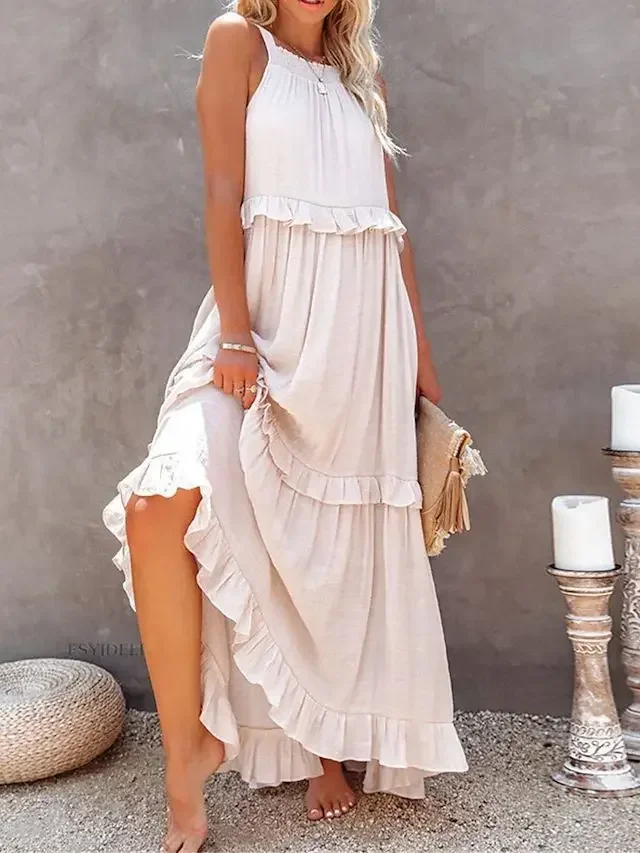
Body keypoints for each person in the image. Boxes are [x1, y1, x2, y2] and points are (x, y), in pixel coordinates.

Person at [102, 1, 468, 850]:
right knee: (158, 506)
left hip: (360, 340)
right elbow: (223, 193)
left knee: (324, 547)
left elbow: (391, 230)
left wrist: (418, 355)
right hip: (261, 331)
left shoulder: (361, 76)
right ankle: (187, 752)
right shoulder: (239, 42)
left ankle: (324, 749)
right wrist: (234, 331)